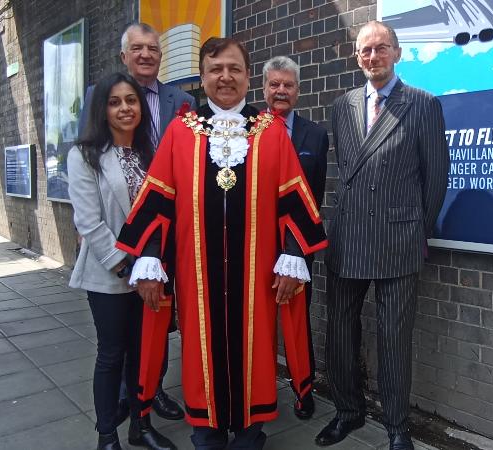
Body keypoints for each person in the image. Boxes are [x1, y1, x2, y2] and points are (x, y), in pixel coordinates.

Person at [117, 37, 327, 450]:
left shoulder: (270, 132)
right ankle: (207, 431)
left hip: (257, 280)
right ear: (203, 77)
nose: (225, 77)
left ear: (248, 76)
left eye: (234, 68)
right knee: (199, 355)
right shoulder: (181, 132)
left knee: (257, 352)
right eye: (215, 69)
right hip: (198, 281)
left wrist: (291, 256)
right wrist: (150, 260)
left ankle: (251, 432)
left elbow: (294, 199)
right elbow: (158, 200)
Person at [316, 20, 450, 450]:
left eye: (380, 49)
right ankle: (347, 411)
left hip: (398, 241)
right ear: (357, 58)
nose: (372, 57)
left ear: (396, 52)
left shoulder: (423, 104)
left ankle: (397, 427)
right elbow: (349, 171)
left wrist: (416, 230)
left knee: (394, 338)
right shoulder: (344, 105)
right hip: (349, 235)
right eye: (364, 51)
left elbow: (436, 179)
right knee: (339, 330)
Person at [80, 22, 193, 423]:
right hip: (118, 255)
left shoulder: (181, 100)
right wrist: (123, 260)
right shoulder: (99, 107)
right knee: (115, 347)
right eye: (137, 48)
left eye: (153, 48)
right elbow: (89, 189)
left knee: (156, 330)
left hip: (165, 243)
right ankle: (121, 409)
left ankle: (153, 391)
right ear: (123, 55)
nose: (146, 54)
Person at [67, 73, 177, 450]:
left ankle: (140, 426)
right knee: (112, 355)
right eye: (115, 102)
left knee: (142, 355)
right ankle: (107, 435)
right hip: (110, 275)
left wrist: (155, 266)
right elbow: (89, 222)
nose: (125, 108)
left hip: (151, 273)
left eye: (131, 100)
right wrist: (128, 268)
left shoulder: (153, 152)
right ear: (103, 110)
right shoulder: (85, 155)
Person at [261, 55, 329, 421]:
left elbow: (313, 198)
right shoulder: (248, 129)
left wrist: (299, 250)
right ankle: (261, 386)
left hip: (297, 246)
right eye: (275, 84)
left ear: (298, 91)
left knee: (298, 321)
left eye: (288, 85)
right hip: (255, 246)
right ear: (265, 89)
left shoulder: (315, 136)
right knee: (258, 321)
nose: (281, 90)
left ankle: (304, 390)